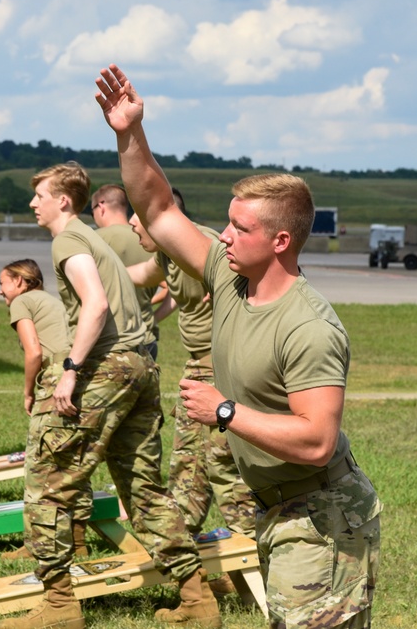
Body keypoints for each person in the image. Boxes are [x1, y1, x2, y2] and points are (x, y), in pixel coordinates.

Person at [96, 64, 382, 627]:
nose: (222, 236)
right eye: (225, 224)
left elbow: (318, 440)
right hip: (278, 507)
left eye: (238, 228)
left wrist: (224, 411)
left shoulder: (308, 327)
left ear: (280, 241)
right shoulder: (228, 276)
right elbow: (156, 207)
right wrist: (129, 133)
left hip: (321, 514)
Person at [0, 162, 220, 629]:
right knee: (143, 488)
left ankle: (59, 607)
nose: (32, 203)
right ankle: (197, 598)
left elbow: (95, 304)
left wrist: (71, 372)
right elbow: (136, 282)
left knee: (49, 483)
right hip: (141, 367)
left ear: (63, 200)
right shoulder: (95, 238)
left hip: (106, 367)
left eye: (39, 195)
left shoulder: (69, 239)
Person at [123, 190, 257, 561]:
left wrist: (235, 285)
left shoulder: (202, 242)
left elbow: (253, 268)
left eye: (136, 215)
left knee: (221, 461)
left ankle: (250, 547)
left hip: (222, 367)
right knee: (188, 462)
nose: (131, 224)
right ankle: (183, 542)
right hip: (198, 366)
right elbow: (140, 274)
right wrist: (95, 271)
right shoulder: (166, 254)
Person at [0, 259, 90, 561]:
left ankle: (38, 543)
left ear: (21, 282)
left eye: (3, 283)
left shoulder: (22, 301)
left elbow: (34, 351)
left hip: (53, 380)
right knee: (73, 460)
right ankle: (78, 539)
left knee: (40, 465)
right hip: (78, 377)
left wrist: (27, 392)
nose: (0, 291)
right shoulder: (52, 300)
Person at [91, 184, 160, 359]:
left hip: (114, 339)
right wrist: (153, 317)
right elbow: (169, 287)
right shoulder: (149, 239)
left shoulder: (96, 239)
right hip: (148, 338)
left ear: (101, 206)